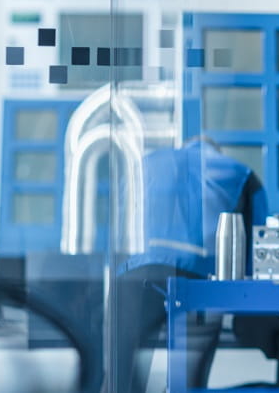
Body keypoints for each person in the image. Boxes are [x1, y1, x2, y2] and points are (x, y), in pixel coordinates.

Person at [109, 137, 266, 393]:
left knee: (122, 376)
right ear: (217, 151)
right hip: (197, 281)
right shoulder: (240, 172)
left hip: (134, 274)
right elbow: (258, 251)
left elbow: (116, 226)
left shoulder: (143, 164)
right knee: (189, 382)